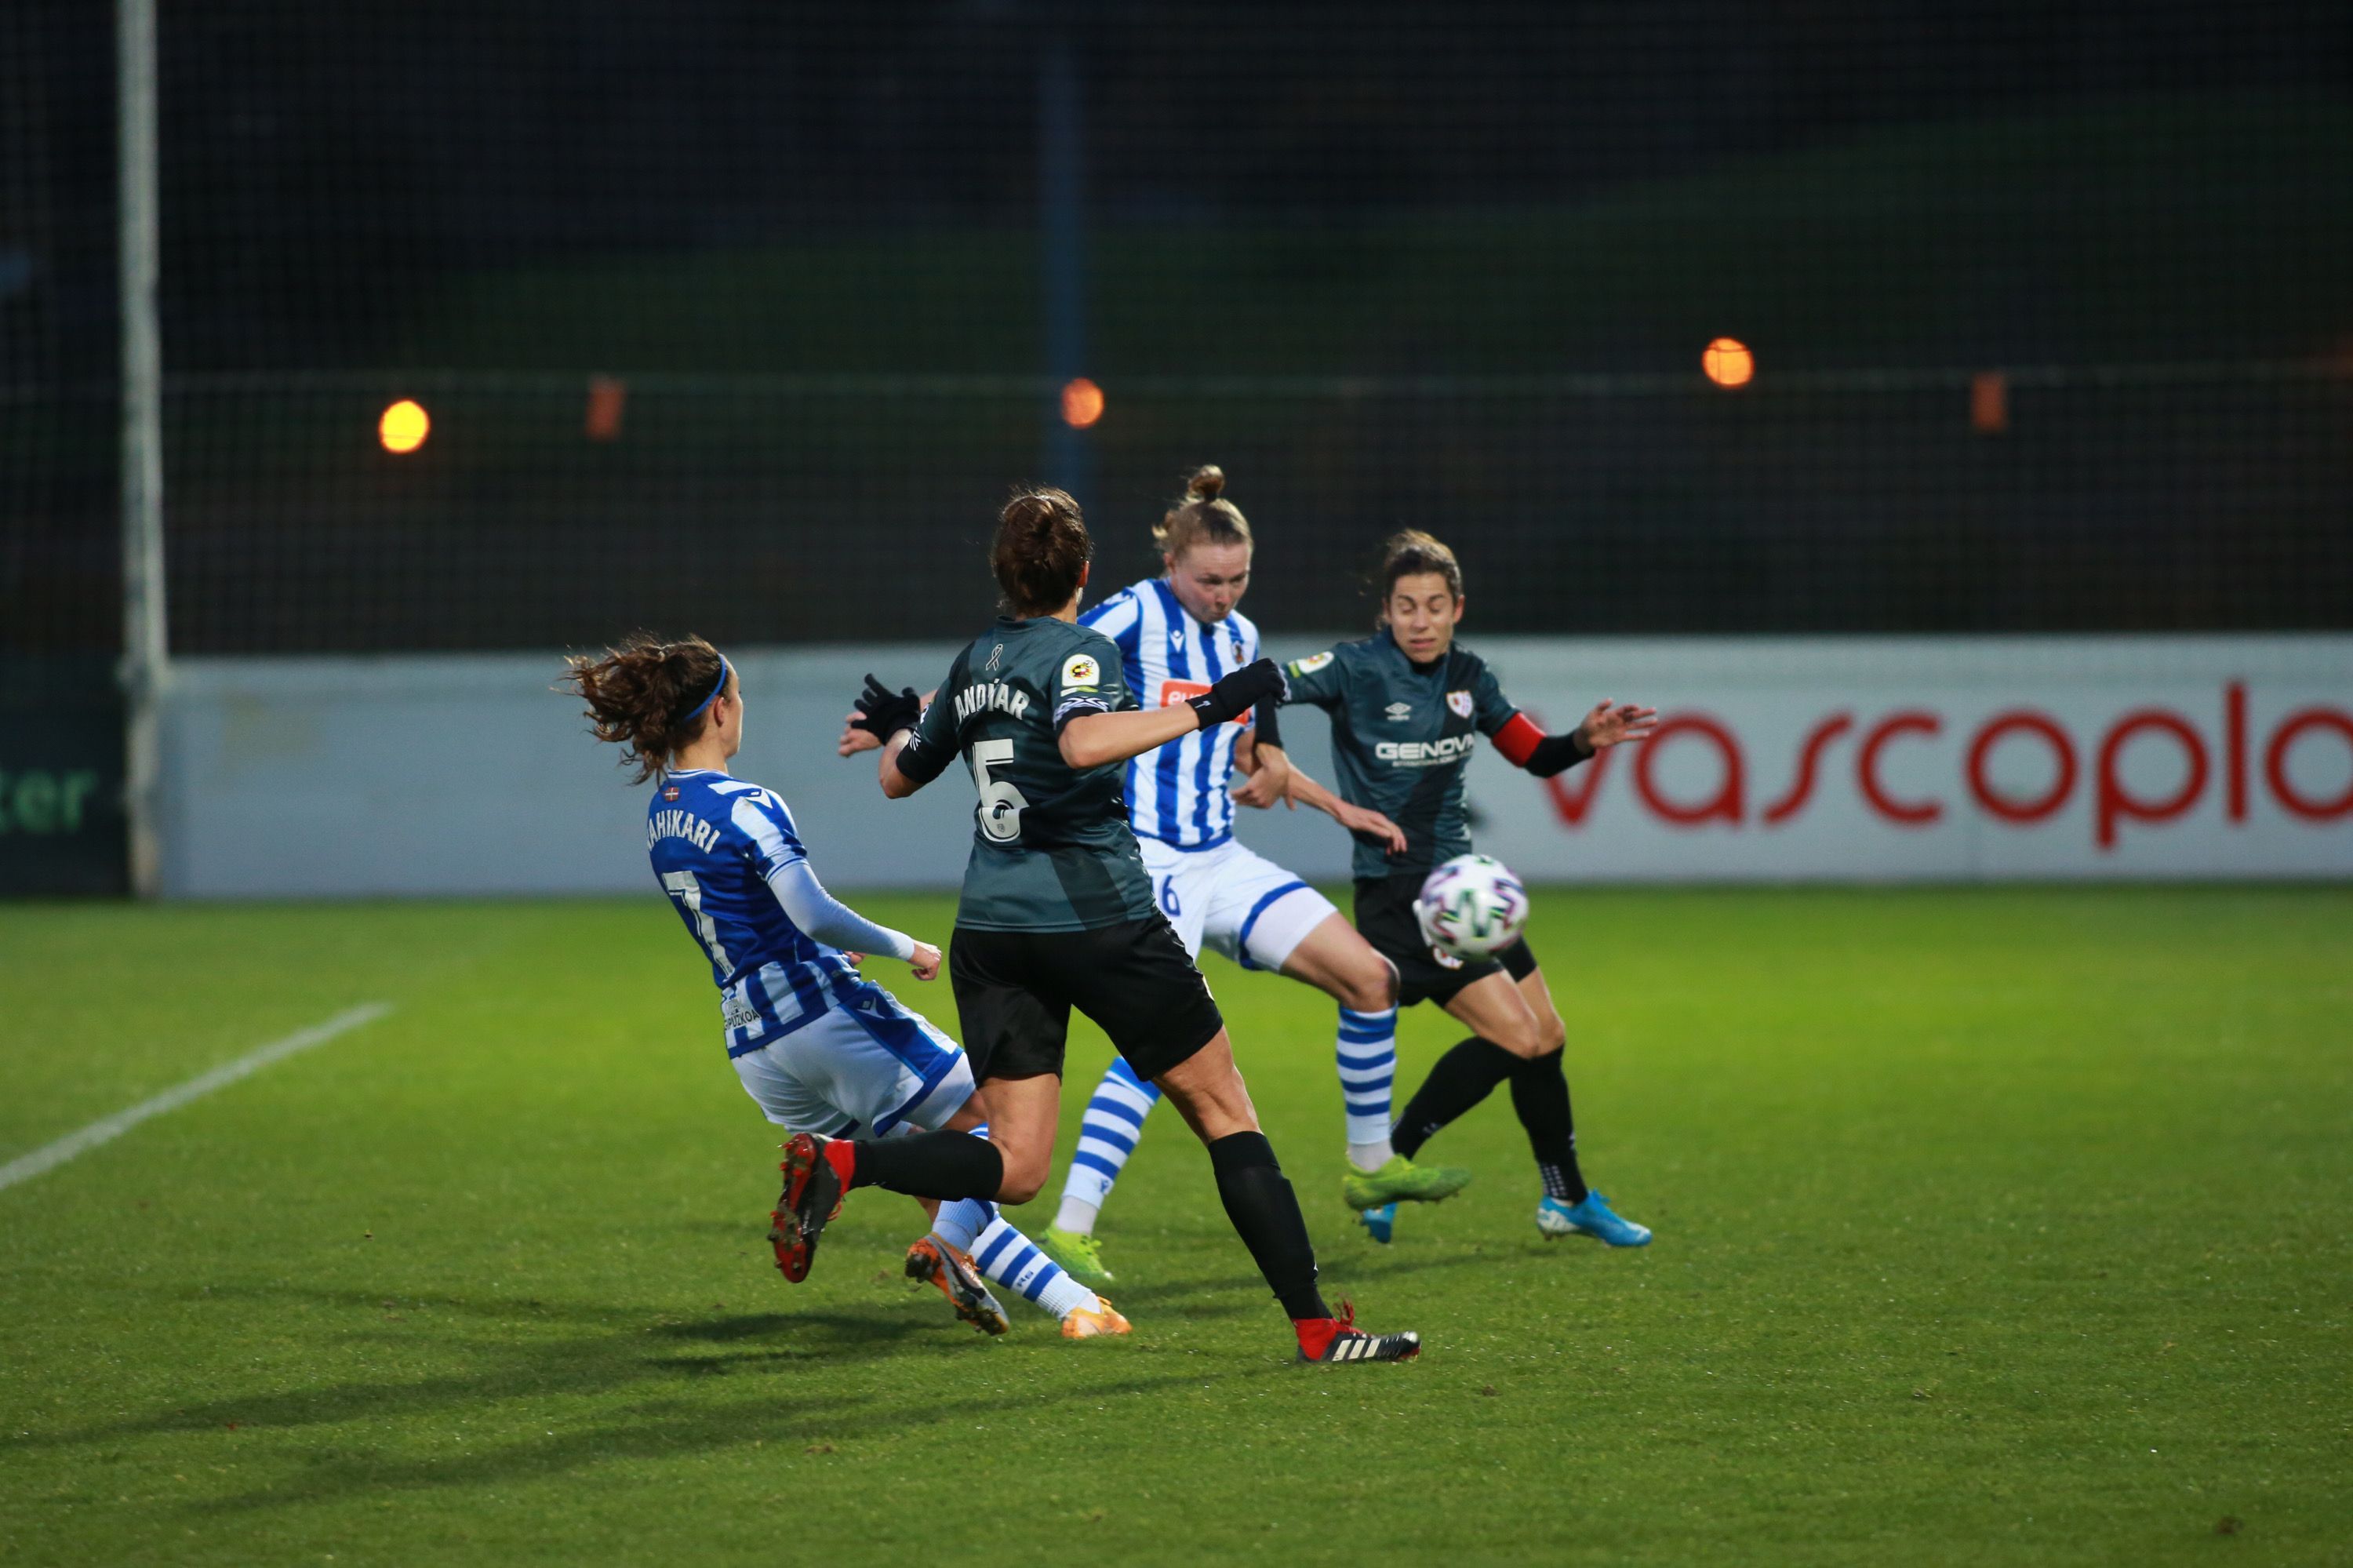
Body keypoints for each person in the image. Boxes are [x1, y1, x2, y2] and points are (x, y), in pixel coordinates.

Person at [782, 486, 1421, 1364]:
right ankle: (1319, 1326)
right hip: (1101, 918)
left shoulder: (977, 661)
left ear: (1002, 575)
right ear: (1083, 573)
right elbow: (1084, 743)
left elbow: (898, 777)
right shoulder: (1083, 652)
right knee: (1224, 1106)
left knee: (1015, 1163)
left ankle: (846, 1164)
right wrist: (1213, 703)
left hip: (994, 932)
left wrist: (903, 723)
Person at [562, 633, 1126, 1339]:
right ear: (717, 712)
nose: (741, 710)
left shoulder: (662, 813)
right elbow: (812, 911)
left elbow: (747, 919)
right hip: (820, 1016)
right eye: (735, 697)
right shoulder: (748, 804)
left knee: (931, 1165)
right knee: (996, 1123)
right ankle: (967, 1251)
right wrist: (907, 946)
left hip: (755, 1045)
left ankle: (1074, 1305)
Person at [1269, 530, 1660, 1247]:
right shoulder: (1354, 669)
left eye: (1435, 606)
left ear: (1458, 609)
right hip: (1401, 894)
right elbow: (1266, 686)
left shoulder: (1470, 677)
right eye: (1406, 606)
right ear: (1385, 611)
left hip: (1462, 891)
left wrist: (1583, 738)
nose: (1420, 620)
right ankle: (1390, 1163)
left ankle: (1564, 1197)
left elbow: (1533, 755)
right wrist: (1270, 757)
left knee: (1548, 1037)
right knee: (1518, 1036)